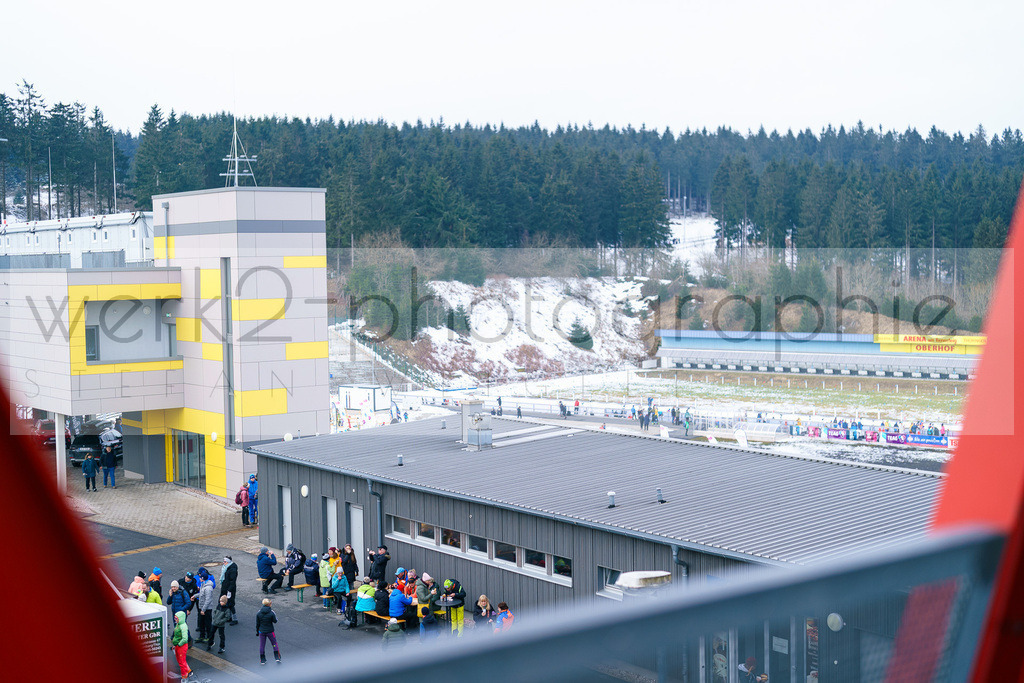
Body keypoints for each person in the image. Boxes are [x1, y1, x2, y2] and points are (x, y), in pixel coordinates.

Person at [255, 598, 281, 665]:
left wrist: (257, 632)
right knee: (274, 643)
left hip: (262, 631)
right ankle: (277, 657)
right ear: (269, 604)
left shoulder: (259, 613)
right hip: (270, 631)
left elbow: (257, 624)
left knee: (262, 645)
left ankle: (263, 660)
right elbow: (275, 621)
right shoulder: (271, 612)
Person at [170, 611, 192, 679]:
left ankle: (184, 675)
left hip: (181, 646)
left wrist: (178, 644)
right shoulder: (179, 624)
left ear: (180, 618)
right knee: (181, 660)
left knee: (181, 662)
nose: (175, 620)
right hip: (178, 645)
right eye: (175, 618)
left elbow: (185, 638)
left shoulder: (183, 626)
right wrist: (175, 645)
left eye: (176, 618)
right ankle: (188, 671)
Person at [196, 577, 216, 645]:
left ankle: (209, 637)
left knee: (208, 623)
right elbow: (201, 595)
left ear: (202, 578)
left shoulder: (208, 588)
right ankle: (202, 636)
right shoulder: (203, 585)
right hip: (202, 608)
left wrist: (203, 609)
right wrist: (195, 596)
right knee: (201, 623)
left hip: (206, 609)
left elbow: (208, 600)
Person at [219, 556, 238, 625]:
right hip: (225, 588)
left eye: (225, 562)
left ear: (228, 562)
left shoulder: (232, 569)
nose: (223, 563)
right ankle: (229, 617)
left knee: (230, 604)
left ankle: (235, 619)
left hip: (229, 589)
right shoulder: (226, 568)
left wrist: (229, 590)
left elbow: (232, 581)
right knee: (226, 603)